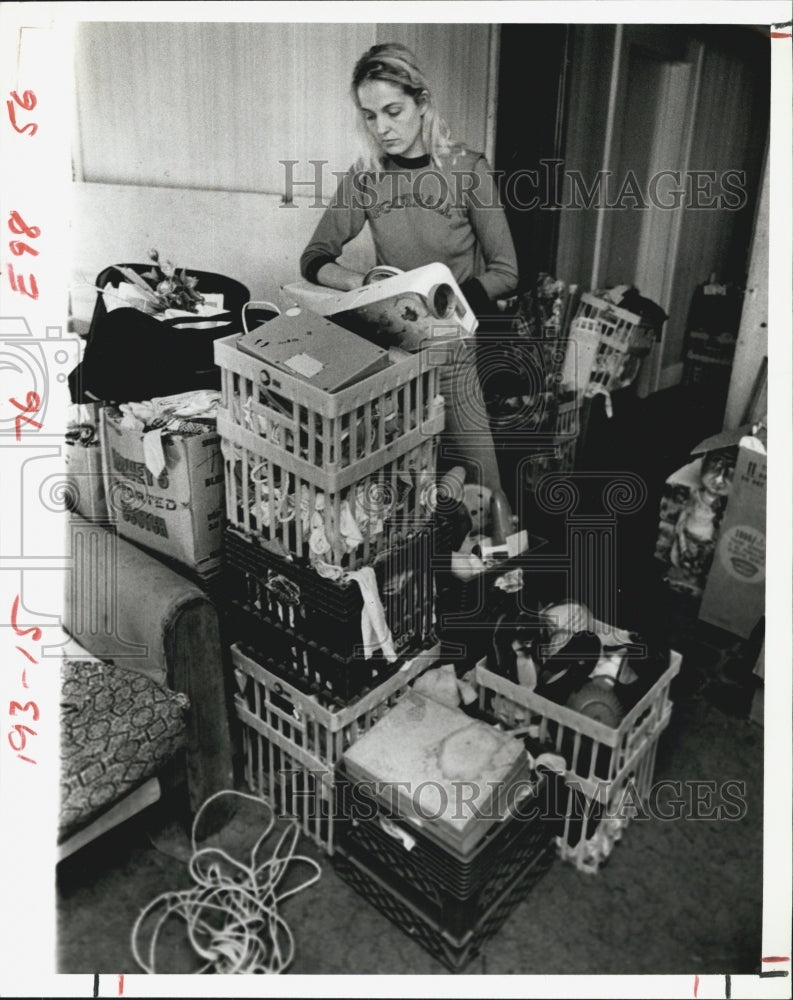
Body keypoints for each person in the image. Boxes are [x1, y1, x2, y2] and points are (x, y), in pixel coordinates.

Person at [300, 42, 519, 493]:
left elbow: (507, 271)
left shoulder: (467, 170)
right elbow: (314, 259)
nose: (382, 127)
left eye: (393, 111)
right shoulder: (365, 176)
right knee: (397, 486)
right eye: (370, 115)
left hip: (452, 346)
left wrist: (444, 304)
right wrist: (365, 284)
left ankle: (501, 559)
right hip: (390, 352)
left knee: (482, 479)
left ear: (422, 103)